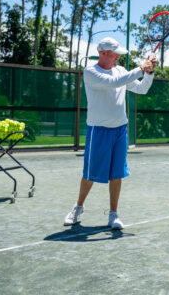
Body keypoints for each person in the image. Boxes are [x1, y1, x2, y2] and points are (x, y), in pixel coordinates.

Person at [64, 36, 157, 229]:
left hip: (120, 130)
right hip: (98, 130)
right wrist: (140, 68)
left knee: (117, 174)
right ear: (103, 53)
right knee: (90, 174)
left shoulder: (121, 70)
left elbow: (142, 89)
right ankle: (78, 207)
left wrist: (149, 72)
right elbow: (115, 82)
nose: (118, 58)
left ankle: (113, 215)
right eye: (115, 55)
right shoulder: (90, 71)